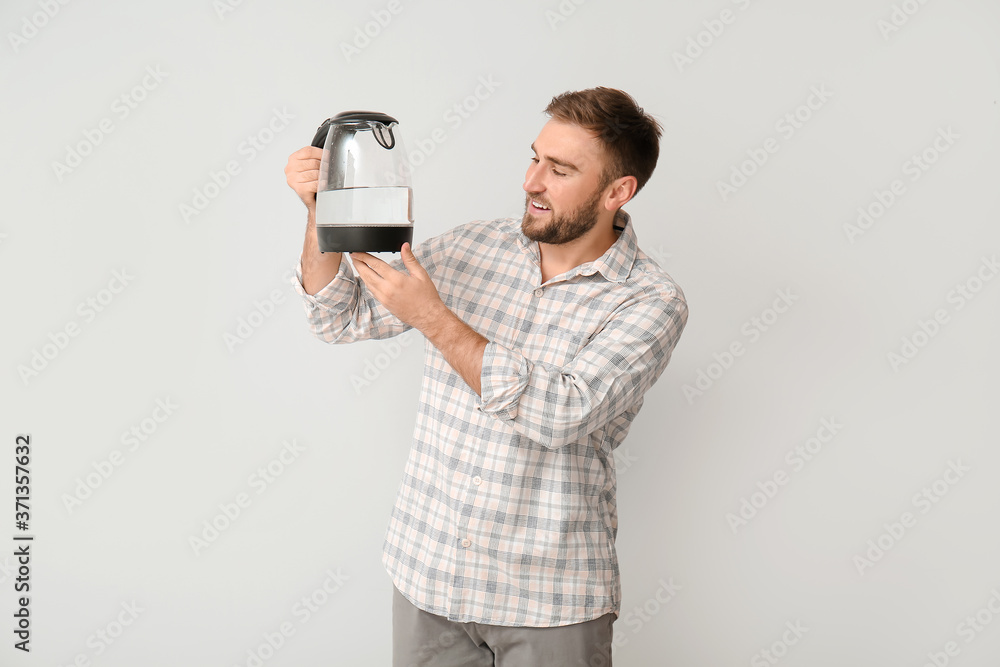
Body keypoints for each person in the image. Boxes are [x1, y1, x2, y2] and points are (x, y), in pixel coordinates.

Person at [285, 87, 688, 666]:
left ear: (618, 192)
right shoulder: (473, 247)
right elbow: (338, 316)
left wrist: (434, 318)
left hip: (549, 601)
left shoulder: (650, 301)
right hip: (429, 578)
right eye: (534, 158)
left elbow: (560, 413)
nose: (531, 181)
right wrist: (320, 210)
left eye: (561, 169)